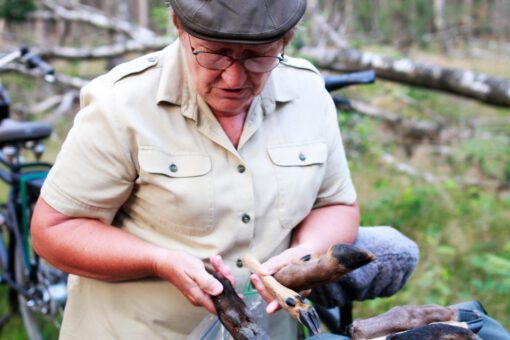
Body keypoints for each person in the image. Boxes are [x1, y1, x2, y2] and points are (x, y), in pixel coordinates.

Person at [31, 1, 418, 339]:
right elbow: (55, 230)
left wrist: (305, 254)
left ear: (286, 40)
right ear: (180, 29)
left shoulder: (307, 93)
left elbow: (335, 206)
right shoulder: (122, 104)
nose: (234, 78)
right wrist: (160, 261)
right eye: (214, 54)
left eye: (257, 56)